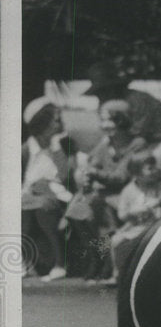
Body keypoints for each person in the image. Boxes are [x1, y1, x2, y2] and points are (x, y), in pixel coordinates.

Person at [66, 99, 147, 281]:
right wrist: (87, 175)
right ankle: (96, 257)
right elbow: (92, 162)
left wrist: (95, 173)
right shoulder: (106, 143)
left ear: (122, 121)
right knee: (77, 210)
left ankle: (107, 263)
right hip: (105, 192)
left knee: (101, 208)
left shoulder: (136, 143)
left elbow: (121, 177)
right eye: (103, 120)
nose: (105, 125)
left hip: (127, 193)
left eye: (110, 120)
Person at [21, 97, 75, 281]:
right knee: (26, 209)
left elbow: (68, 179)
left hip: (60, 199)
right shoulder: (26, 151)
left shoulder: (64, 147)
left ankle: (60, 263)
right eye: (56, 120)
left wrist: (58, 148)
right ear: (42, 123)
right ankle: (22, 261)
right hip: (29, 198)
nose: (60, 124)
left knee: (44, 206)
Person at [110, 152, 161, 281]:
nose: (154, 171)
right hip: (138, 227)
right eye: (149, 168)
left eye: (155, 167)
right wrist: (134, 212)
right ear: (137, 174)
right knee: (117, 241)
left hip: (160, 226)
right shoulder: (129, 190)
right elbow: (122, 214)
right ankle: (119, 273)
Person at [83, 61, 161, 145]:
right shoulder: (105, 105)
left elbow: (139, 135)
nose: (101, 96)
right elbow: (111, 133)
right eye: (99, 92)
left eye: (104, 90)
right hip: (135, 142)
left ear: (113, 87)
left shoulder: (138, 100)